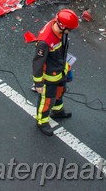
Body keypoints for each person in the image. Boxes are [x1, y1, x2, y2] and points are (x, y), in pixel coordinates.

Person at [32, 9, 79, 137]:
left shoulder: (60, 29)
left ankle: (58, 111)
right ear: (62, 26)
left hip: (60, 70)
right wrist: (38, 83)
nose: (71, 32)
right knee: (47, 100)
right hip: (49, 77)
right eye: (70, 29)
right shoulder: (45, 42)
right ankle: (42, 121)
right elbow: (37, 63)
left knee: (60, 91)